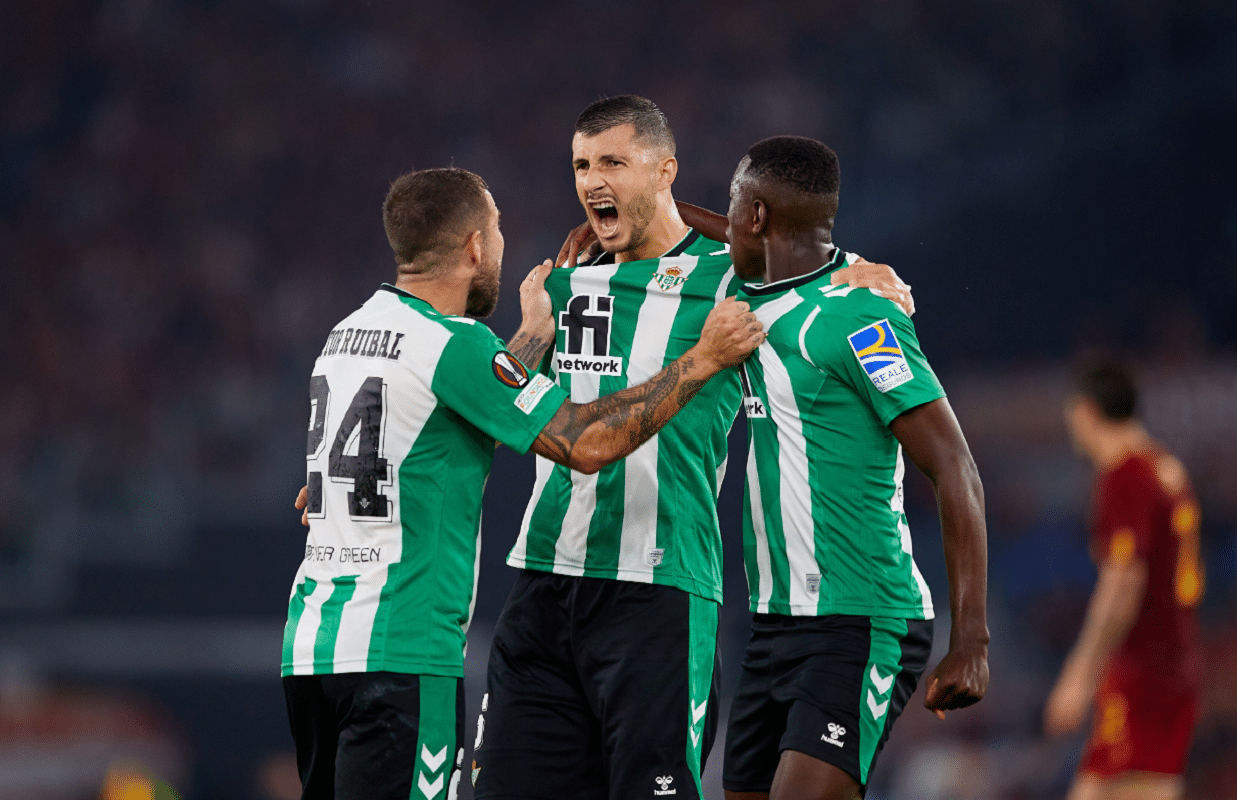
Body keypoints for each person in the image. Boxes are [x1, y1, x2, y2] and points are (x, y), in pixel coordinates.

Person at [472, 97, 913, 800]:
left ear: (664, 171)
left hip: (658, 590)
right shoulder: (561, 279)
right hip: (540, 585)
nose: (593, 180)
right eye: (581, 166)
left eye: (614, 162)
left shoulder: (730, 281)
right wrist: (528, 334)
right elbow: (495, 405)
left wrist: (852, 267)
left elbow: (797, 253)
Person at [281, 166, 766, 800]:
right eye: (499, 229)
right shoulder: (454, 343)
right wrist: (703, 358)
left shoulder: (347, 334)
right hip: (401, 648)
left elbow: (450, 418)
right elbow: (586, 444)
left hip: (312, 650)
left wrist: (535, 333)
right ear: (475, 246)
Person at [716, 135, 990, 800]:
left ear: (756, 215)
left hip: (860, 618)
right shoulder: (751, 295)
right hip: (773, 623)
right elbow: (700, 234)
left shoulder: (861, 317)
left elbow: (955, 467)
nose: (722, 222)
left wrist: (971, 640)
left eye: (732, 206)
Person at [1045, 361, 1203, 800]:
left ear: (1085, 412)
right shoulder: (1167, 469)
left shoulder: (1124, 475)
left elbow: (1122, 582)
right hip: (1174, 662)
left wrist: (1080, 673)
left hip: (1141, 671)